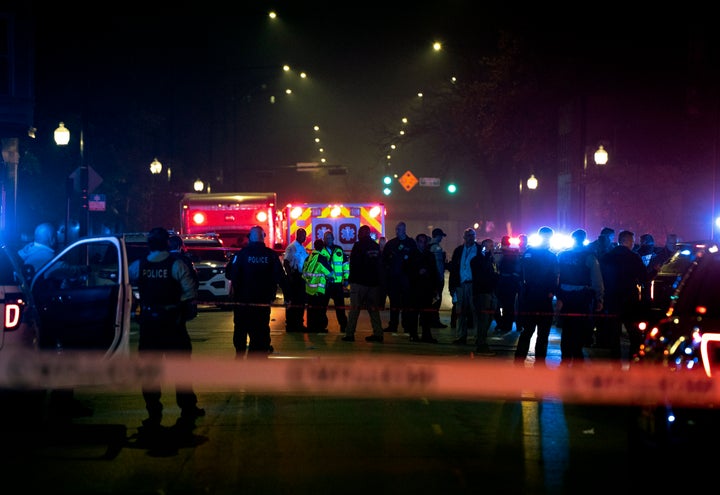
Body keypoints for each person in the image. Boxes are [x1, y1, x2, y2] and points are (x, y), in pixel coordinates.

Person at [128, 227, 204, 430]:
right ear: (166, 243)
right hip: (172, 324)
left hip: (149, 325)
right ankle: (187, 408)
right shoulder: (176, 264)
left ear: (149, 244)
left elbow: (125, 285)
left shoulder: (138, 266)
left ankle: (153, 412)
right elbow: (190, 291)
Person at [226, 225, 288, 356]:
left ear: (250, 238)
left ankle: (240, 353)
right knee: (260, 328)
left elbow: (230, 274)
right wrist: (288, 296)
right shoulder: (271, 255)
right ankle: (258, 353)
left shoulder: (241, 254)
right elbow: (281, 277)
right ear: (263, 237)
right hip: (262, 301)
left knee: (241, 328)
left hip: (242, 301)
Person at [600, 230, 650, 364]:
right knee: (634, 334)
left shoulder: (607, 256)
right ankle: (633, 361)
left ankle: (615, 362)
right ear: (627, 241)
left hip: (611, 299)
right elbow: (645, 277)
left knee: (614, 334)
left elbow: (601, 278)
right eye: (633, 242)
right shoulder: (634, 257)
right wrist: (655, 270)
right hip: (629, 300)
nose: (634, 244)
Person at [556, 229, 604, 367]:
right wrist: (599, 298)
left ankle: (565, 357)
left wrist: (558, 295)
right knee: (579, 328)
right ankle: (577, 357)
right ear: (584, 240)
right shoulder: (589, 257)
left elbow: (556, 276)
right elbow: (597, 280)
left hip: (565, 296)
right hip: (582, 296)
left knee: (566, 329)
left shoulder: (562, 255)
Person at [514, 226, 559, 367]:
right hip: (543, 298)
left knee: (528, 332)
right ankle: (539, 363)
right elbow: (555, 276)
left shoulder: (529, 253)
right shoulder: (551, 256)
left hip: (531, 297)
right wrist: (552, 291)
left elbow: (521, 273)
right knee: (541, 334)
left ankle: (519, 361)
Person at [342, 225, 385, 343]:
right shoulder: (376, 246)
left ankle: (350, 334)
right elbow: (379, 266)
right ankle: (378, 333)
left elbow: (354, 265)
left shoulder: (358, 246)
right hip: (373, 284)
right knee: (373, 310)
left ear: (361, 234)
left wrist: (350, 280)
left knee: (354, 310)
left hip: (359, 283)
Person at [402, 233, 441, 343]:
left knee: (426, 314)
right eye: (421, 241)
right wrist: (417, 272)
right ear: (417, 242)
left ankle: (426, 335)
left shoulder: (430, 255)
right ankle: (413, 334)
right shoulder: (411, 254)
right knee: (413, 314)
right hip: (414, 288)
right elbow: (405, 270)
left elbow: (434, 272)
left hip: (427, 289)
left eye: (424, 242)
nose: (423, 244)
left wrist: (436, 288)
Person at [381, 221, 417, 333]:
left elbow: (414, 260)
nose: (397, 231)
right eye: (396, 229)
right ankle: (393, 325)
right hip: (393, 279)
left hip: (406, 279)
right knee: (394, 303)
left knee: (406, 303)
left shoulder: (411, 243)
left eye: (399, 229)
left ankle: (406, 325)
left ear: (404, 230)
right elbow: (384, 260)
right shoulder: (391, 243)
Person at [448, 228, 481, 345]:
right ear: (464, 237)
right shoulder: (458, 250)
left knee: (475, 311)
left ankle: (478, 337)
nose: (470, 237)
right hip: (461, 285)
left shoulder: (479, 249)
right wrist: (452, 286)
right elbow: (453, 269)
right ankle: (461, 336)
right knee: (460, 312)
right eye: (468, 235)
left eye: (472, 235)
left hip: (473, 285)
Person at [587, 227, 616, 348]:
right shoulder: (611, 249)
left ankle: (588, 339)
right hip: (606, 285)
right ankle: (601, 340)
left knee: (590, 315)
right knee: (603, 315)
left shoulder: (590, 246)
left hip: (590, 285)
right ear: (609, 236)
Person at [470, 238, 499, 355]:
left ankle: (481, 340)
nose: (492, 248)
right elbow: (481, 274)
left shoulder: (492, 260)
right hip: (482, 292)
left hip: (491, 291)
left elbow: (495, 273)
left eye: (492, 246)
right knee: (483, 319)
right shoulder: (477, 260)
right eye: (489, 246)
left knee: (489, 318)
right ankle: (481, 343)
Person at [322, 231, 349, 333]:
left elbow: (345, 265)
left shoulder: (339, 250)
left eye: (330, 238)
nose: (328, 239)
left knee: (340, 307)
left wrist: (346, 279)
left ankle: (343, 326)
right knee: (323, 307)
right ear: (324, 239)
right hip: (325, 284)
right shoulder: (321, 250)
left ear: (333, 239)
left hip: (337, 284)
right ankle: (322, 325)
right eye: (326, 238)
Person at [302, 238, 331, 333]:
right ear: (322, 247)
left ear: (314, 247)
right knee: (319, 309)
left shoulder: (308, 257)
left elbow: (303, 272)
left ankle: (311, 327)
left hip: (309, 288)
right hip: (319, 289)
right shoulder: (321, 258)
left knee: (311, 309)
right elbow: (329, 273)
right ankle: (319, 328)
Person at [494, 235, 521, 333]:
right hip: (508, 282)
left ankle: (503, 324)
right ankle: (506, 325)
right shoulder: (513, 253)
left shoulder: (499, 252)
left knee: (501, 305)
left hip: (503, 281)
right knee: (508, 305)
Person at [283, 228, 309, 332]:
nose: (304, 237)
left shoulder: (302, 248)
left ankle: (298, 323)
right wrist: (290, 277)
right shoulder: (292, 247)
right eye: (302, 235)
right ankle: (291, 324)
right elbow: (286, 262)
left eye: (304, 235)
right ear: (297, 235)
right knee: (293, 302)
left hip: (300, 277)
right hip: (295, 277)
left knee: (300, 302)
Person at [428, 228, 449, 328]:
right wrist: (440, 278)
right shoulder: (437, 248)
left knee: (431, 300)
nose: (442, 238)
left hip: (430, 278)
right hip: (436, 278)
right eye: (441, 236)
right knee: (437, 300)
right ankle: (435, 321)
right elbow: (439, 265)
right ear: (438, 236)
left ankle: (430, 320)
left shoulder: (428, 246)